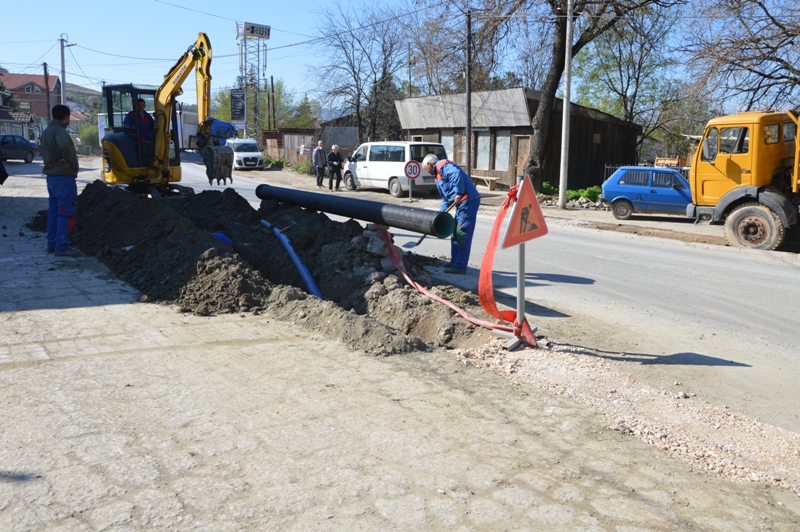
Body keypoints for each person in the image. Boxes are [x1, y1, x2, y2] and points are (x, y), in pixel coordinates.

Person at [422, 153, 481, 274]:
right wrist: (438, 216)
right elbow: (446, 200)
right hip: (461, 203)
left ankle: (460, 266)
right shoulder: (437, 176)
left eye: (425, 168)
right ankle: (454, 261)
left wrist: (458, 193)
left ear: (429, 164)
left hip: (468, 201)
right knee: (454, 232)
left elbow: (456, 174)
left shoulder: (442, 166)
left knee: (462, 232)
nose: (426, 171)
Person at [41, 104, 80, 257]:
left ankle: (52, 244)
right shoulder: (60, 131)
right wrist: (69, 161)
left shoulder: (46, 132)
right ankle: (62, 246)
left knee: (54, 212)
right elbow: (64, 144)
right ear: (66, 117)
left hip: (51, 178)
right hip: (64, 177)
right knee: (66, 212)